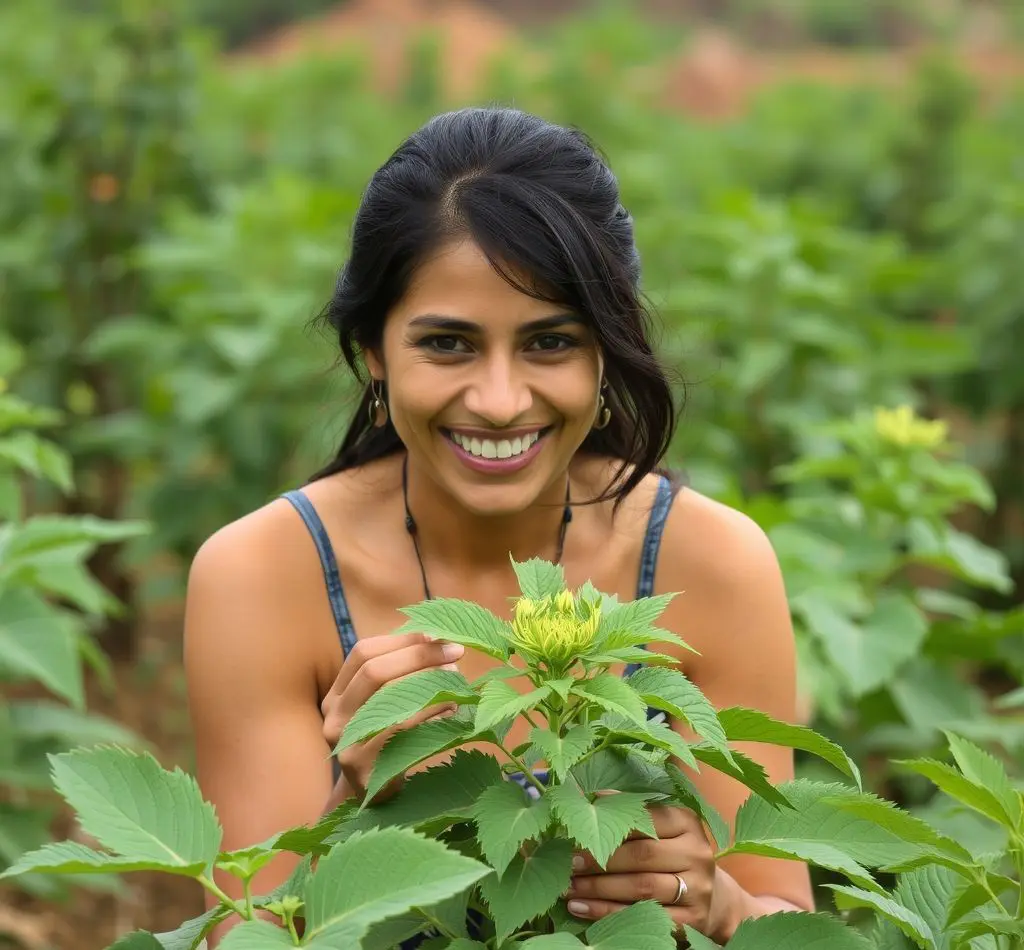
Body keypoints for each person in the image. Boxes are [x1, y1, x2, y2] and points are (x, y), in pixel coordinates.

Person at [184, 106, 813, 948]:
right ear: (373, 350)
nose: (500, 400)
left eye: (550, 342)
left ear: (607, 351)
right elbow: (250, 934)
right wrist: (355, 816)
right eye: (448, 344)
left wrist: (722, 903)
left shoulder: (712, 563)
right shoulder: (263, 573)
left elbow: (787, 919)